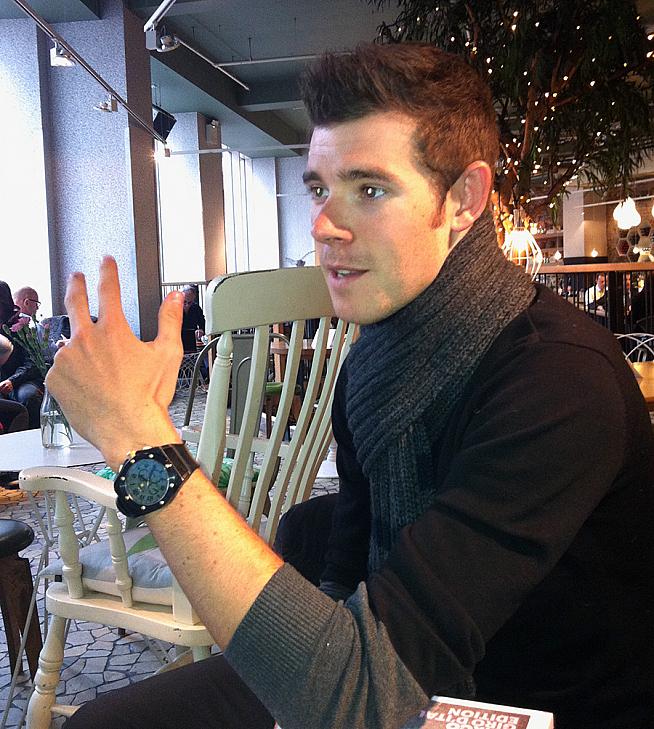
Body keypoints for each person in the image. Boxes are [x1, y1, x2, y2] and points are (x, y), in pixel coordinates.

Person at [48, 43, 652, 729]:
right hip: (403, 675)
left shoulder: (560, 382)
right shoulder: (376, 362)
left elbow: (367, 697)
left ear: (463, 199)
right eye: (318, 189)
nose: (323, 226)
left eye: (369, 190)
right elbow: (345, 575)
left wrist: (140, 437)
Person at [0, 281, 43, 428]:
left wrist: (12, 381)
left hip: (21, 380)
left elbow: (33, 362)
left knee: (29, 397)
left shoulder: (20, 326)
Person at [181, 284, 205, 352]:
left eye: (190, 302)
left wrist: (201, 330)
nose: (187, 305)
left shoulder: (196, 308)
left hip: (192, 343)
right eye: (184, 302)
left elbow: (203, 324)